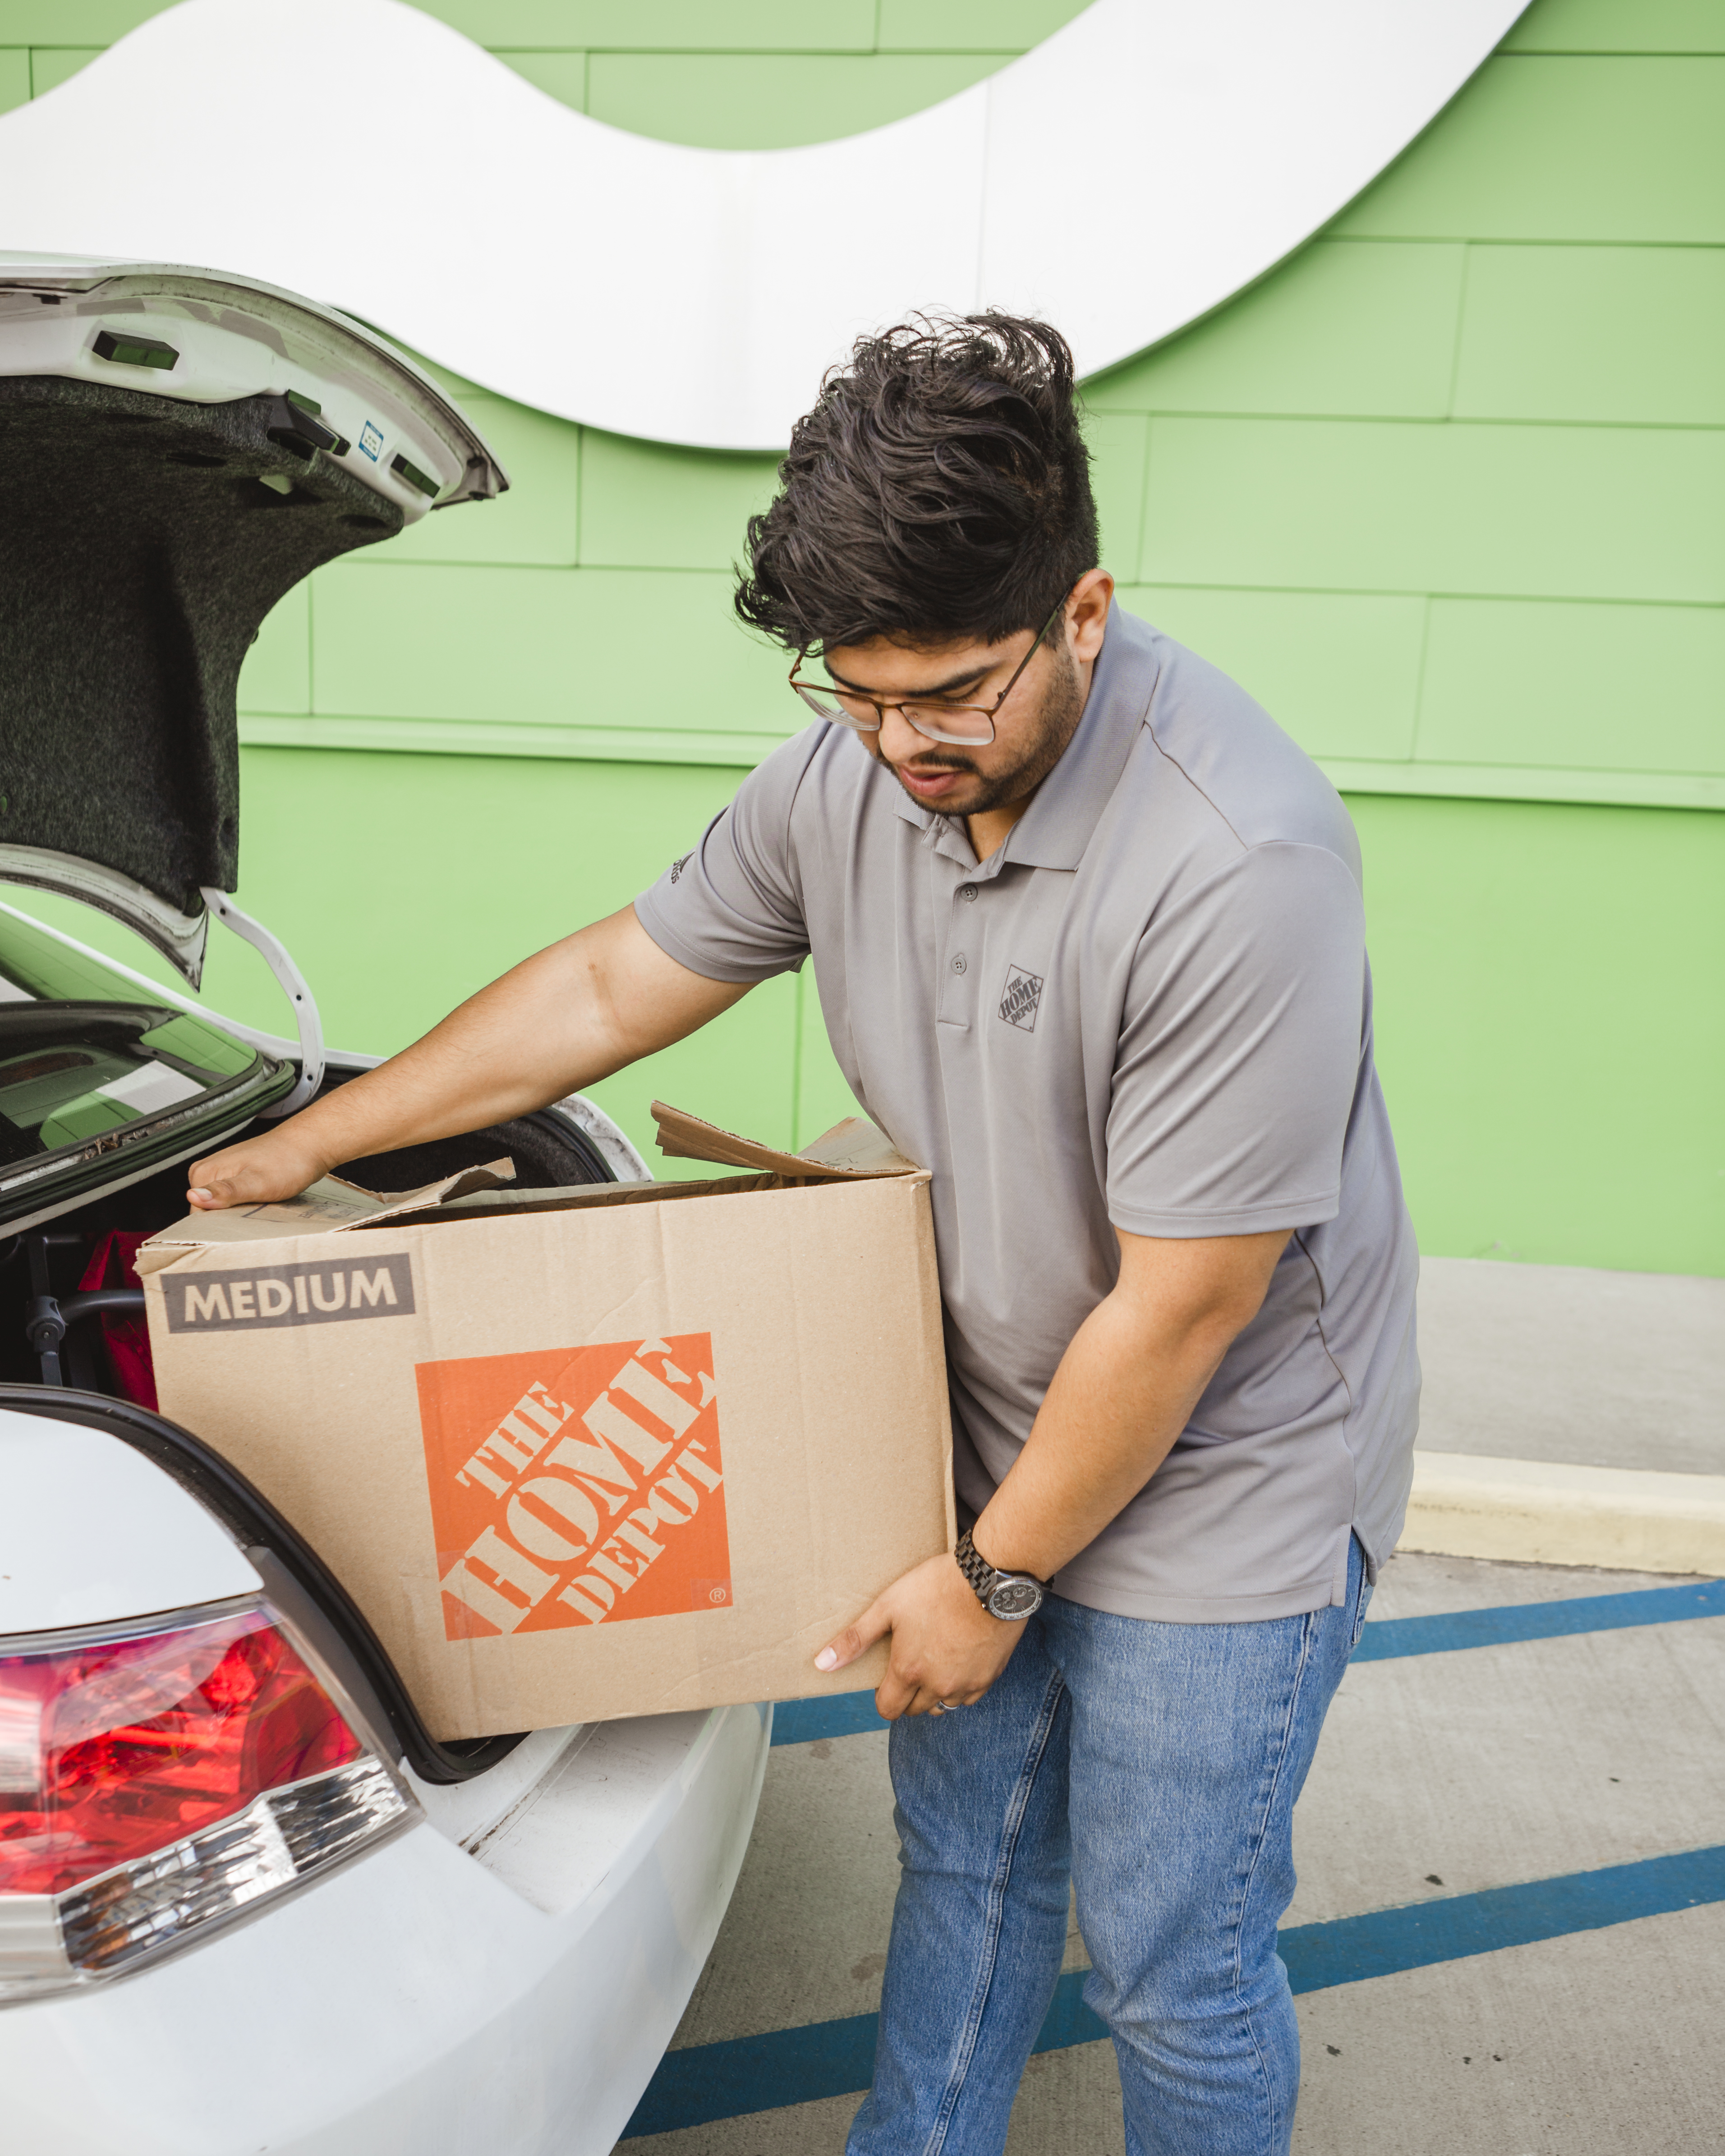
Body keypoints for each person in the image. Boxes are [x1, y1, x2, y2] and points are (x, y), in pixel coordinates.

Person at [188, 314, 1418, 2156]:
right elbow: (618, 977)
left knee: (1173, 1955)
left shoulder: (1235, 864)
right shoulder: (855, 767)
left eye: (953, 697)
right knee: (969, 1875)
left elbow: (1181, 1309)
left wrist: (989, 1580)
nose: (904, 744)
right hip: (988, 1416)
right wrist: (314, 1142)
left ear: (1082, 614)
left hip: (1230, 1480)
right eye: (858, 692)